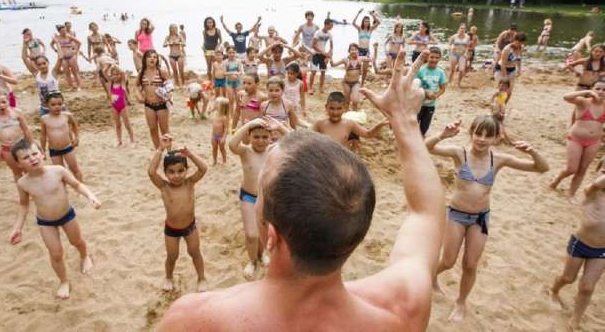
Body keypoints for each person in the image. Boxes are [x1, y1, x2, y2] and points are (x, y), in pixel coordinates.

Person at [158, 51, 447, 332]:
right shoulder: (400, 311)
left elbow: (427, 214)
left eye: (261, 191)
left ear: (271, 236)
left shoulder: (194, 320)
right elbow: (427, 215)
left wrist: (403, 121)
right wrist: (405, 122)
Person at [426, 115, 548, 321]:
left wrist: (532, 152)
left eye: (488, 135)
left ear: (496, 138)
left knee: (471, 264)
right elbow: (426, 147)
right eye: (478, 133)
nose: (482, 139)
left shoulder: (499, 160)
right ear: (471, 133)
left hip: (480, 219)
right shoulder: (459, 153)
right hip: (456, 215)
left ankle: (461, 301)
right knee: (447, 260)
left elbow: (542, 168)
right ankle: (431, 278)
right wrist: (441, 135)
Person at [550, 155, 605, 330]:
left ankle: (576, 318)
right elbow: (600, 183)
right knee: (568, 278)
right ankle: (554, 290)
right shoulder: (592, 190)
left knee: (587, 287)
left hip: (601, 249)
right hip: (580, 244)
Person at [9, 138, 101, 299]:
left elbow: (77, 184)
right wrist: (17, 228)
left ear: (42, 154)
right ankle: (64, 281)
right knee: (56, 253)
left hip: (67, 215)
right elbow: (24, 205)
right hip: (45, 222)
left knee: (77, 241)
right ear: (18, 164)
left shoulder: (58, 171)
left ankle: (84, 255)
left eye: (35, 153)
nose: (32, 158)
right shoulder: (23, 183)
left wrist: (90, 196)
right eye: (26, 157)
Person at [549, 79, 605, 204]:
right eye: (598, 88)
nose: (600, 92)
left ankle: (571, 194)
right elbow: (566, 97)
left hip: (594, 142)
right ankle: (556, 180)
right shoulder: (583, 102)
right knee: (571, 168)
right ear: (593, 89)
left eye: (604, 90)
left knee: (582, 169)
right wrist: (587, 92)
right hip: (576, 139)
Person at [227, 118, 287, 279]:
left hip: (267, 198)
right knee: (251, 235)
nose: (260, 141)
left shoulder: (273, 150)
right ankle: (252, 261)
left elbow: (294, 141)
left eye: (264, 137)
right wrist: (249, 124)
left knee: (263, 233)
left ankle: (260, 255)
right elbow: (232, 144)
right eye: (256, 137)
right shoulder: (246, 151)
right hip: (248, 197)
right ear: (249, 137)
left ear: (271, 138)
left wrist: (280, 127)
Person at [147, 135, 208, 292]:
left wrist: (190, 154)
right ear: (166, 173)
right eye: (172, 172)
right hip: (171, 230)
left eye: (181, 171)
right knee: (172, 256)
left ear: (186, 170)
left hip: (190, 227)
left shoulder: (190, 182)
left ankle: (201, 278)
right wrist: (160, 149)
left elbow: (203, 168)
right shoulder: (164, 186)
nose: (177, 175)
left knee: (195, 252)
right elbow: (151, 172)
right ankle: (168, 277)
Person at [0, 88, 33, 194]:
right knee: (17, 173)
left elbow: (26, 129)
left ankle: (33, 190)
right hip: (7, 150)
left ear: (8, 100)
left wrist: (32, 144)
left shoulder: (17, 112)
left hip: (21, 146)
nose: (1, 105)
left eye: (4, 102)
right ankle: (23, 193)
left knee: (29, 170)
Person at [312, 91, 388, 148]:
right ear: (326, 107)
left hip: (341, 160)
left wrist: (379, 125)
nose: (335, 112)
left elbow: (368, 134)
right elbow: (308, 141)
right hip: (324, 160)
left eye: (339, 108)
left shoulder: (349, 124)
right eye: (332, 108)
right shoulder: (319, 124)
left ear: (344, 108)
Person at [40, 91, 83, 182]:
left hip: (67, 148)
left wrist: (77, 138)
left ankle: (81, 189)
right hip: (54, 150)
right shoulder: (44, 119)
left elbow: (75, 125)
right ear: (47, 105)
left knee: (75, 169)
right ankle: (64, 192)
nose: (57, 107)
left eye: (60, 104)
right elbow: (43, 135)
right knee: (60, 173)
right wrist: (42, 150)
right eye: (53, 104)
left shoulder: (67, 115)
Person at [136, 50, 172, 150]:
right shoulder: (141, 72)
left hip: (161, 104)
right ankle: (158, 151)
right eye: (149, 57)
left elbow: (170, 85)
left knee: (164, 130)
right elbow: (136, 85)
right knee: (152, 129)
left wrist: (169, 95)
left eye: (154, 57)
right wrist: (138, 95)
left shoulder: (161, 72)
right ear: (145, 59)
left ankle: (169, 152)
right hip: (148, 105)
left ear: (157, 60)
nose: (152, 59)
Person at [413, 48, 447, 136]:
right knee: (413, 125)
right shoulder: (420, 70)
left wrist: (435, 96)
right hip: (417, 104)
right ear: (427, 57)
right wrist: (425, 91)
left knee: (424, 127)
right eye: (432, 57)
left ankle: (421, 141)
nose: (434, 60)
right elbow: (413, 85)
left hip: (430, 106)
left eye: (437, 58)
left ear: (440, 59)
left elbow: (443, 88)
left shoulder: (440, 72)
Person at [331, 43, 369, 110]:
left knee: (355, 101)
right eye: (352, 49)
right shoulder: (345, 60)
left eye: (355, 49)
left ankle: (354, 114)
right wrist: (330, 58)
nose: (354, 51)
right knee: (347, 101)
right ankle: (345, 113)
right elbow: (333, 65)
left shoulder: (360, 59)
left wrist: (375, 49)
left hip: (356, 82)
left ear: (358, 51)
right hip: (346, 83)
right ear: (349, 51)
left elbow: (372, 59)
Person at [232, 73, 267, 140]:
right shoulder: (240, 95)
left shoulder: (262, 97)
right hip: (243, 127)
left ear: (257, 84)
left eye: (249, 83)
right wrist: (233, 127)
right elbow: (237, 112)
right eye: (244, 83)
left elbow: (266, 115)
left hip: (256, 129)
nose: (245, 86)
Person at [495, 32, 526, 103]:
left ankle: (502, 106)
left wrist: (519, 69)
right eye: (518, 42)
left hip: (512, 70)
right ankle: (498, 107)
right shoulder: (507, 49)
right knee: (503, 91)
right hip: (501, 69)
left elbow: (519, 59)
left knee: (509, 92)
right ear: (515, 40)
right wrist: (505, 77)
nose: (520, 44)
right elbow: (503, 64)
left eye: (521, 42)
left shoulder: (521, 47)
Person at [108, 67, 135, 147]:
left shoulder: (122, 84)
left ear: (120, 75)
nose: (115, 76)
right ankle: (119, 141)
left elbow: (123, 73)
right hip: (114, 107)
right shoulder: (111, 84)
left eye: (117, 74)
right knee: (118, 124)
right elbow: (106, 74)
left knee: (127, 124)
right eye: (113, 75)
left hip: (123, 106)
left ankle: (132, 140)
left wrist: (115, 66)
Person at [50, 25, 82, 91]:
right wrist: (55, 49)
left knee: (75, 72)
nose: (64, 32)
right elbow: (51, 44)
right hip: (63, 58)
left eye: (65, 30)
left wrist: (76, 51)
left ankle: (78, 86)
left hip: (71, 56)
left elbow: (79, 43)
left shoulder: (69, 36)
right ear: (59, 32)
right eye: (62, 31)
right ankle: (71, 86)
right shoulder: (57, 38)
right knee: (67, 73)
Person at [309, 19, 334, 94]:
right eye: (331, 25)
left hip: (323, 55)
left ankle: (321, 87)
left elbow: (331, 47)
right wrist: (323, 52)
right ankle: (310, 87)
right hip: (315, 54)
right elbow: (313, 45)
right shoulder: (318, 33)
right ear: (326, 24)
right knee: (313, 72)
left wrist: (328, 56)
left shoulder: (329, 34)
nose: (332, 26)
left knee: (323, 72)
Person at [209, 97, 230, 165]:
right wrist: (210, 110)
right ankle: (214, 161)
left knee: (222, 149)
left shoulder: (224, 117)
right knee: (214, 149)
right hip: (214, 136)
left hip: (221, 137)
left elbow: (226, 128)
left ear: (221, 107)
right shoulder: (215, 113)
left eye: (217, 104)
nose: (215, 104)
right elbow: (209, 112)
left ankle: (224, 161)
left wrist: (224, 138)